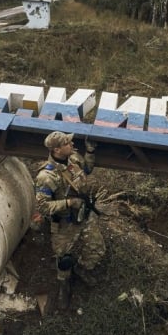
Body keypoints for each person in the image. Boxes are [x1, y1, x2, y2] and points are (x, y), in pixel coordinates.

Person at [34, 131, 106, 310]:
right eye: (68, 143)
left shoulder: (73, 159)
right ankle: (64, 286)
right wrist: (69, 202)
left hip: (84, 215)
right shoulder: (47, 177)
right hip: (65, 223)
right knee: (64, 259)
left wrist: (90, 151)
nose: (72, 145)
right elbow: (43, 207)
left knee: (97, 250)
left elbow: (87, 169)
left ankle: (81, 269)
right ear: (57, 149)